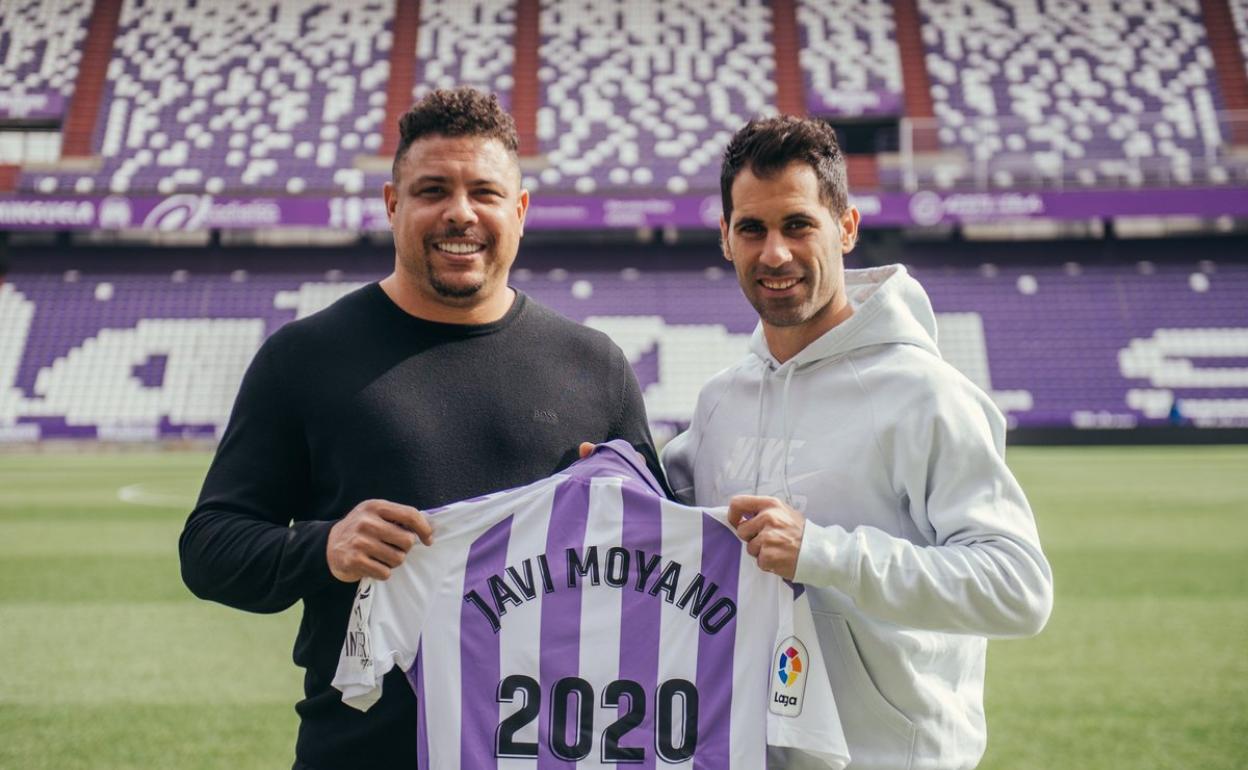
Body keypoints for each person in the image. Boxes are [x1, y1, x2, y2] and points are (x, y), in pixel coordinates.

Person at [179, 87, 665, 770]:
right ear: (392, 204)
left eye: (485, 193)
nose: (460, 212)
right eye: (433, 190)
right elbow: (208, 548)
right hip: (361, 753)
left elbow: (656, 577)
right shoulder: (305, 358)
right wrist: (323, 548)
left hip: (549, 752)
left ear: (520, 211)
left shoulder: (594, 367)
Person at [660, 116, 1053, 770]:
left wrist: (823, 553)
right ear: (726, 238)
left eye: (798, 225)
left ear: (845, 227)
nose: (774, 254)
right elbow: (657, 515)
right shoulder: (719, 400)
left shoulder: (925, 394)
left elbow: (1018, 589)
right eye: (752, 229)